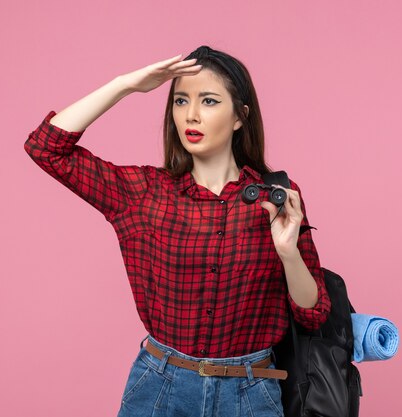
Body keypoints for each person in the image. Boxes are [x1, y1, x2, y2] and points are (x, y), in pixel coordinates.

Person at [24, 45, 331, 417]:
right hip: (159, 387)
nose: (192, 115)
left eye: (210, 101)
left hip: (250, 393)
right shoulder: (143, 193)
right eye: (181, 101)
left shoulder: (275, 197)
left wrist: (287, 252)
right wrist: (125, 85)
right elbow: (46, 147)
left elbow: (313, 314)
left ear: (240, 117)